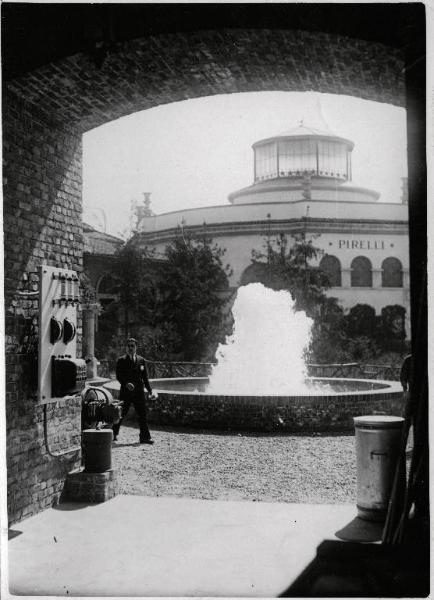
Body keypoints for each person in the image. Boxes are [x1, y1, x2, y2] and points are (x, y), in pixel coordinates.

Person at [112, 338, 157, 444]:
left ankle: (145, 437)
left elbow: (145, 377)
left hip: (139, 393)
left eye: (133, 346)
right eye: (129, 346)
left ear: (136, 347)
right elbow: (119, 376)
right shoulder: (121, 360)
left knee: (142, 414)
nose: (131, 348)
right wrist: (126, 383)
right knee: (121, 413)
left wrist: (150, 390)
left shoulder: (141, 360)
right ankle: (113, 434)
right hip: (126, 393)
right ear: (126, 348)